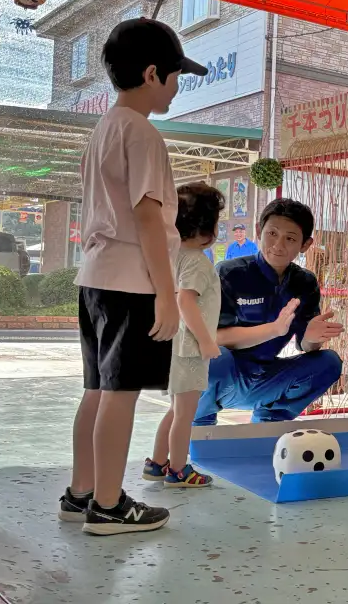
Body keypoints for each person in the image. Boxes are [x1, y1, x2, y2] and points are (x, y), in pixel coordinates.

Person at [60, 18, 208, 536]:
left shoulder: (104, 129)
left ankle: (80, 493)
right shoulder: (143, 133)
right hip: (130, 280)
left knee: (98, 389)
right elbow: (148, 216)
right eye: (175, 75)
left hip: (97, 276)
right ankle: (107, 505)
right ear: (152, 74)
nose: (176, 85)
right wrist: (166, 296)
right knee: (119, 393)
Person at [193, 199, 345, 425]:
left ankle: (269, 423)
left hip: (266, 377)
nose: (278, 245)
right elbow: (212, 338)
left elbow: (306, 345)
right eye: (272, 233)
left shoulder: (305, 282)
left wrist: (312, 339)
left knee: (329, 362)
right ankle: (199, 423)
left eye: (290, 238)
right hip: (224, 376)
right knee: (212, 358)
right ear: (258, 231)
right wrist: (273, 330)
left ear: (305, 244)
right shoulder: (229, 273)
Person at [143, 182, 229, 488]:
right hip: (191, 348)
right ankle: (178, 469)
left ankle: (157, 462)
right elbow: (185, 299)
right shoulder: (197, 262)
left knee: (176, 409)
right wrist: (207, 340)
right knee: (185, 414)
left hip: (175, 344)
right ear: (208, 230)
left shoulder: (174, 255)